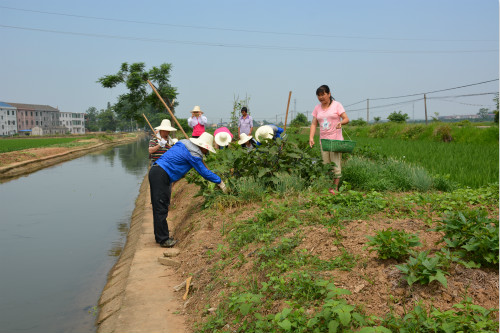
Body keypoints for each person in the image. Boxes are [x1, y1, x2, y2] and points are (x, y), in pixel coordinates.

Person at [149, 132, 227, 248]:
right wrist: (220, 181)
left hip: (156, 171)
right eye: (207, 149)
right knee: (161, 207)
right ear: (203, 147)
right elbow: (204, 172)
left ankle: (159, 236)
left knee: (159, 206)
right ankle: (164, 239)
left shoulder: (184, 143)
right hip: (161, 174)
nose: (207, 152)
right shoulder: (194, 154)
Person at [309, 84, 350, 195]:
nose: (321, 97)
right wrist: (311, 137)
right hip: (324, 141)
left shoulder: (337, 105)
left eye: (323, 94)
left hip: (336, 140)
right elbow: (313, 123)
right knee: (326, 164)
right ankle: (329, 187)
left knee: (335, 164)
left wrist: (340, 123)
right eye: (319, 95)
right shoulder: (317, 108)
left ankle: (334, 188)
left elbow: (346, 119)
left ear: (329, 94)